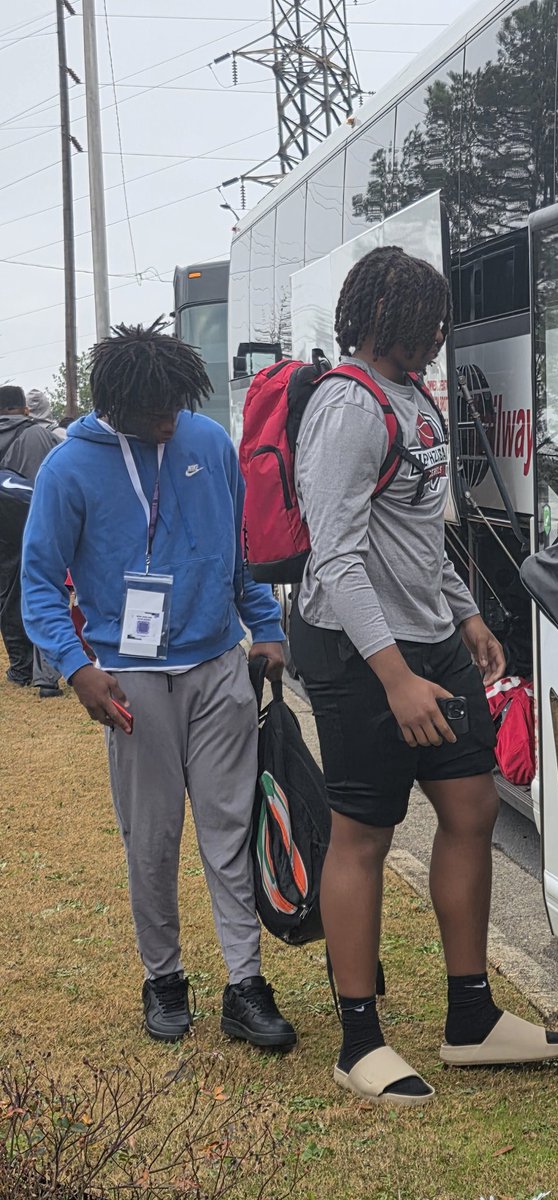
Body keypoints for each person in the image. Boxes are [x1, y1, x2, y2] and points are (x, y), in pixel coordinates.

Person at [289, 246, 558, 1108]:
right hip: (356, 651)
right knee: (363, 836)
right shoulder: (346, 407)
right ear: (381, 319)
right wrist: (395, 678)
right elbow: (335, 561)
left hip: (428, 637)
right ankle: (359, 1039)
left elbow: (416, 534)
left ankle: (471, 1018)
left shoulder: (414, 400)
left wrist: (465, 613)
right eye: (427, 320)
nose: (440, 334)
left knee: (472, 806)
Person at [21, 320, 297, 1049]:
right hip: (129, 682)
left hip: (216, 667)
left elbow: (238, 550)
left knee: (230, 828)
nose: (171, 420)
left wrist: (263, 625)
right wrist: (76, 668)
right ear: (116, 406)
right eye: (157, 411)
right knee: (152, 838)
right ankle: (164, 977)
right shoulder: (68, 469)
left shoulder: (206, 442)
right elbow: (41, 584)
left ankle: (245, 985)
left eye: (180, 403)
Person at [0, 385, 58, 687]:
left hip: (2, 531)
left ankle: (20, 667)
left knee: (7, 596)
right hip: (39, 523)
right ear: (24, 408)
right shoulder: (37, 434)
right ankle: (45, 673)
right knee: (42, 592)